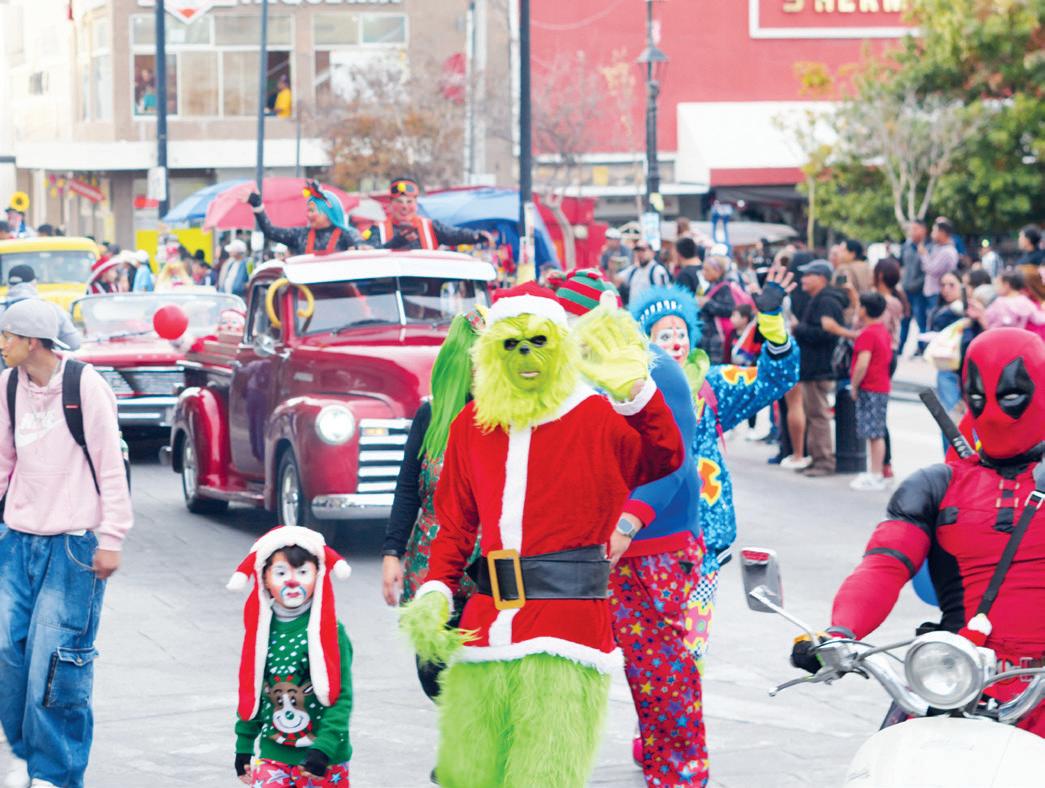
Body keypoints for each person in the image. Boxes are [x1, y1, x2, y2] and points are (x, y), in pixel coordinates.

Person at [399, 283, 684, 788]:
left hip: (567, 629)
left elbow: (664, 458)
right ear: (490, 353)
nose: (525, 355)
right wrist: (436, 588)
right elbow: (454, 524)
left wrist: (638, 396)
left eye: (538, 342)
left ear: (561, 347)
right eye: (511, 344)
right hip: (486, 625)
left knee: (542, 777)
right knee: (470, 774)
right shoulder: (471, 426)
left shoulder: (593, 417)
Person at [789, 328, 1045, 738]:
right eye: (978, 398)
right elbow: (883, 564)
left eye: (1011, 396)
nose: (994, 413)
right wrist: (839, 634)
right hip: (957, 684)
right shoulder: (936, 485)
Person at [0, 299, 132, 788]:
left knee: (55, 664)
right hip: (16, 540)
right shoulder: (8, 386)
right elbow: (3, 461)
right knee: (8, 656)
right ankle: (25, 756)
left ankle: (56, 773)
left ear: (32, 341)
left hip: (73, 545)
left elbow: (110, 466)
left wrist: (111, 537)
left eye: (7, 336)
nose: (2, 344)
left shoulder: (85, 386)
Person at [382, 310, 484, 700]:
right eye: (476, 360)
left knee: (479, 672)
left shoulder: (504, 418)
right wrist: (392, 553)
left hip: (486, 570)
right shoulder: (430, 414)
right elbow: (407, 488)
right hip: (430, 564)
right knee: (433, 675)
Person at [228, 526, 353, 787]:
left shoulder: (331, 631)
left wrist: (325, 747)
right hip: (274, 754)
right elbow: (253, 687)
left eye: (303, 572)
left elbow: (342, 696)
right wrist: (244, 744)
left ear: (318, 575)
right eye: (281, 573)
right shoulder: (261, 629)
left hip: (324, 758)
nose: (292, 581)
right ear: (264, 577)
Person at [790, 259, 847, 477]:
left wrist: (799, 328)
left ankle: (824, 460)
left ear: (821, 278)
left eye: (808, 275)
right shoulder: (820, 299)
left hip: (819, 368)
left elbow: (827, 333)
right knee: (813, 414)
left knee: (818, 416)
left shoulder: (826, 301)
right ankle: (817, 458)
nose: (803, 279)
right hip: (813, 367)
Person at [364, 178, 492, 250]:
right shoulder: (377, 229)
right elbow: (371, 252)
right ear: (390, 203)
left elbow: (454, 234)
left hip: (427, 289)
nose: (404, 207)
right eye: (399, 202)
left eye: (409, 202)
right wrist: (396, 242)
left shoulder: (430, 226)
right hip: (388, 289)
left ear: (416, 203)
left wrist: (475, 235)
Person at [848, 293, 893, 491]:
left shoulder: (867, 334)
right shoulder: (882, 331)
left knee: (874, 433)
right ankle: (876, 471)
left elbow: (862, 363)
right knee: (876, 431)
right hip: (880, 385)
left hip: (871, 386)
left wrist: (854, 385)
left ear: (864, 310)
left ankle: (875, 473)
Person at [250, 179, 364, 256]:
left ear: (328, 212)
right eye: (308, 210)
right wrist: (258, 206)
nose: (308, 215)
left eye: (312, 210)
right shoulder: (300, 235)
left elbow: (364, 248)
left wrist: (359, 249)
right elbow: (270, 232)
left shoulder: (348, 235)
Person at [0, 266, 82, 362]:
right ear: (34, 283)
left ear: (9, 285)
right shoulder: (52, 309)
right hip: (43, 369)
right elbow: (74, 343)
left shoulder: (2, 309)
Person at [696, 255, 741, 364]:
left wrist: (707, 303)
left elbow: (729, 309)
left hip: (716, 339)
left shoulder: (724, 287)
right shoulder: (712, 286)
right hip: (710, 338)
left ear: (718, 271)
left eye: (707, 270)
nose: (703, 273)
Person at [899, 220, 929, 355]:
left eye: (915, 229)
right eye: (911, 229)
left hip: (921, 291)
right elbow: (901, 266)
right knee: (904, 320)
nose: (912, 232)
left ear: (923, 230)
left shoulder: (929, 247)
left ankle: (922, 349)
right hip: (906, 290)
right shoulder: (906, 246)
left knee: (921, 321)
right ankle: (900, 348)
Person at [921, 218, 959, 314]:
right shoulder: (938, 247)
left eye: (934, 231)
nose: (932, 234)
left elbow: (932, 269)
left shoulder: (947, 251)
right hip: (934, 292)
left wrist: (923, 255)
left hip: (937, 292)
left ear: (942, 233)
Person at [616, 240, 670, 306]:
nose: (640, 253)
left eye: (643, 250)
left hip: (649, 310)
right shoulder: (634, 269)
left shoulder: (658, 270)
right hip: (633, 310)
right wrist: (612, 268)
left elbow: (664, 294)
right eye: (637, 251)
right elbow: (616, 280)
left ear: (652, 253)